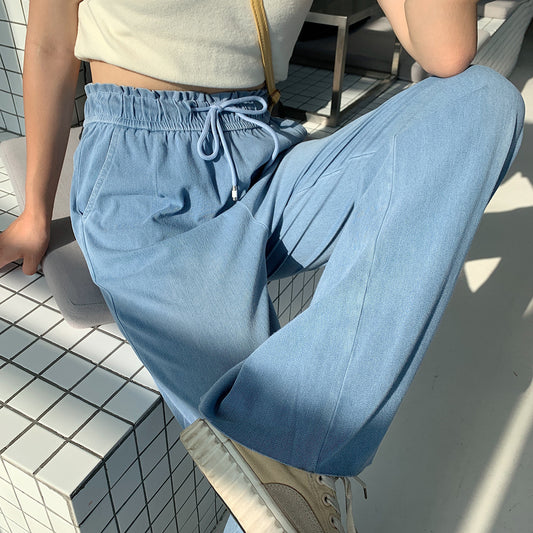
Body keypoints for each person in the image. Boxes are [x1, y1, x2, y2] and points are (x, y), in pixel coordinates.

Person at [0, 1, 525, 532]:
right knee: (277, 490)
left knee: (482, 103)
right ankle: (285, 482)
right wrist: (35, 215)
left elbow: (448, 52)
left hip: (263, 154)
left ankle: (277, 468)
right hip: (142, 176)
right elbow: (48, 45)